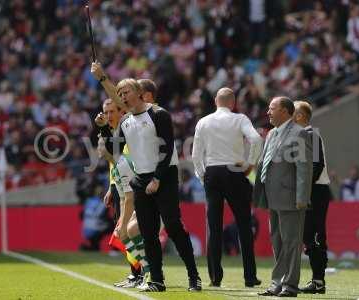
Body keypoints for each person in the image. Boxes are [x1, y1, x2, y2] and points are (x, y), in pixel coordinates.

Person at [91, 62, 201, 293]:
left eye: (126, 92)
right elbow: (115, 152)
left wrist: (157, 179)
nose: (122, 96)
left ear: (139, 94)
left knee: (173, 226)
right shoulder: (126, 122)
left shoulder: (159, 114)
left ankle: (194, 275)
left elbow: (167, 147)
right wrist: (102, 129)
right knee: (148, 232)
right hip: (141, 179)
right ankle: (156, 280)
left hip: (165, 176)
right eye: (119, 93)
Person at [192, 87, 263, 288]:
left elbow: (196, 154)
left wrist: (202, 175)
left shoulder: (203, 122)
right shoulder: (240, 119)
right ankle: (250, 276)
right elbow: (256, 139)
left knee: (213, 227)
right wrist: (250, 163)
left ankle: (215, 277)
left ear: (216, 100)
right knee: (244, 224)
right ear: (233, 102)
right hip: (235, 171)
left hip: (212, 172)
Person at [254, 96, 313, 297]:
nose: (268, 112)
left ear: (286, 111)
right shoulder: (271, 134)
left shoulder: (300, 133)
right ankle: (277, 283)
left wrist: (302, 198)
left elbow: (304, 169)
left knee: (291, 243)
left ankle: (289, 285)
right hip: (272, 197)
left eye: (272, 108)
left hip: (291, 199)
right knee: (277, 242)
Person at [96, 98, 150, 289]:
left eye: (112, 111)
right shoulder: (109, 132)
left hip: (136, 187)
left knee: (130, 229)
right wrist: (112, 187)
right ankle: (137, 273)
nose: (109, 116)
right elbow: (114, 164)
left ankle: (146, 272)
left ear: (121, 112)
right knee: (123, 231)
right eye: (106, 112)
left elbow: (118, 158)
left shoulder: (128, 129)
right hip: (121, 186)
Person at [293, 100, 332, 294]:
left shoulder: (311, 135)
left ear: (300, 116)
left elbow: (317, 165)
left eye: (293, 112)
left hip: (316, 191)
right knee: (308, 236)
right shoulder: (303, 135)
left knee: (314, 235)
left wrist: (304, 189)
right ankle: (317, 280)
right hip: (311, 190)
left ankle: (318, 281)